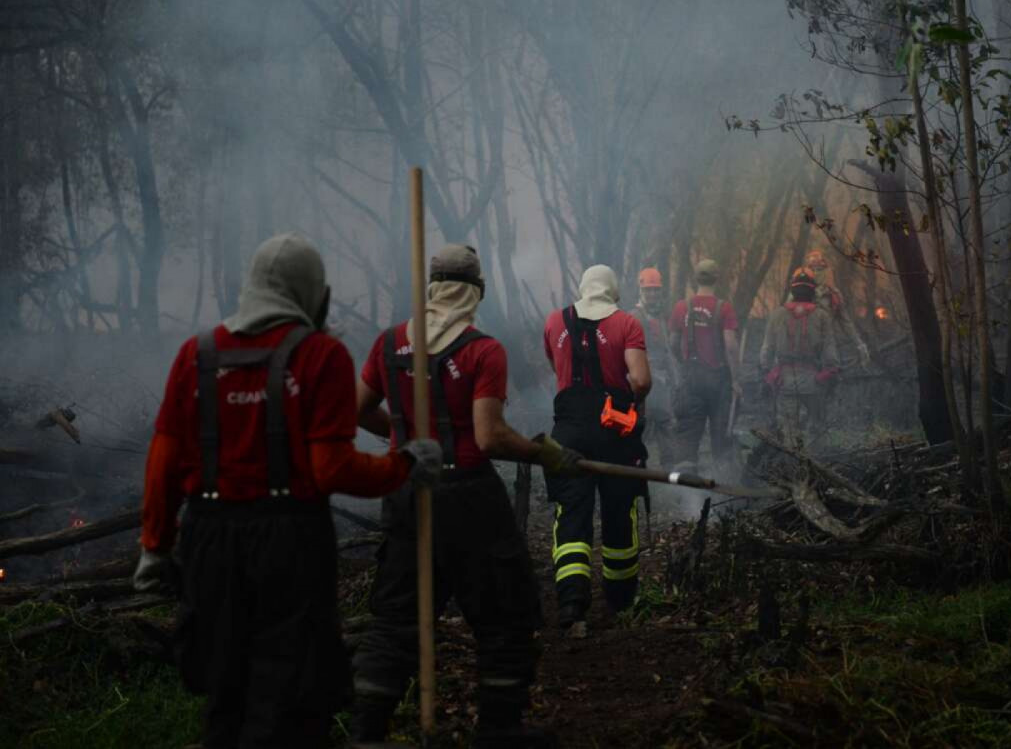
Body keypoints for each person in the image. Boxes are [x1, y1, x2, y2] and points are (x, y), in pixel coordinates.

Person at [133, 233, 440, 749]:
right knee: (291, 699)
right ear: (311, 294)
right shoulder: (321, 357)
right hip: (289, 545)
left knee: (225, 694)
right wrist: (404, 464)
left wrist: (154, 548)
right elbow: (332, 469)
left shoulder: (197, 355)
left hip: (209, 541)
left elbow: (162, 461)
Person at [351, 244, 577, 748]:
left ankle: (367, 733)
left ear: (430, 288)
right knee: (504, 613)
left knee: (395, 620)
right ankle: (499, 728)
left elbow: (357, 409)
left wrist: (408, 441)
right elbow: (490, 436)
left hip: (406, 491)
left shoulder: (389, 345)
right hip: (470, 498)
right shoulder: (481, 350)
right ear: (475, 291)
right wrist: (542, 454)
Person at [542, 265, 651, 639]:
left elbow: (555, 366)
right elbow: (640, 379)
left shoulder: (555, 321)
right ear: (613, 291)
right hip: (615, 432)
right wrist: (634, 404)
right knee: (619, 509)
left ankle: (571, 602)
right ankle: (620, 600)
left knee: (571, 512)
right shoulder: (627, 323)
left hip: (567, 432)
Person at [668, 258, 741, 468]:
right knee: (721, 439)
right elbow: (731, 346)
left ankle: (685, 488)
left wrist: (684, 363)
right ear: (716, 279)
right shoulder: (724, 308)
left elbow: (673, 343)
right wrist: (736, 379)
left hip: (691, 381)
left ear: (695, 279)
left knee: (688, 437)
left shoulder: (681, 307)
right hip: (719, 382)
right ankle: (723, 488)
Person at [760, 269, 840, 451]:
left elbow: (767, 349)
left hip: (784, 381)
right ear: (813, 291)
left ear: (792, 291)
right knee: (817, 428)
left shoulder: (777, 314)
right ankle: (819, 465)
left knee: (788, 430)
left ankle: (793, 467)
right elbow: (830, 350)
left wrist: (766, 372)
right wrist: (831, 373)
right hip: (814, 381)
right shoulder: (822, 316)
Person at [628, 267, 676, 465]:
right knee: (641, 428)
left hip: (661, 383)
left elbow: (665, 351)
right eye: (648, 290)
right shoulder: (634, 317)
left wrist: (673, 376)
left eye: (656, 290)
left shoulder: (659, 317)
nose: (653, 294)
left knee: (666, 426)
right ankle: (637, 472)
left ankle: (668, 476)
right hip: (644, 382)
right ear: (641, 291)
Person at [804, 248, 869, 366]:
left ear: (820, 259)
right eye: (811, 259)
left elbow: (827, 285)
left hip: (828, 300)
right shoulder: (812, 272)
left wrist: (820, 294)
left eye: (815, 258)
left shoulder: (824, 271)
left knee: (833, 329)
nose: (813, 261)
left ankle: (853, 350)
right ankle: (856, 348)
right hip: (829, 299)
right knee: (840, 326)